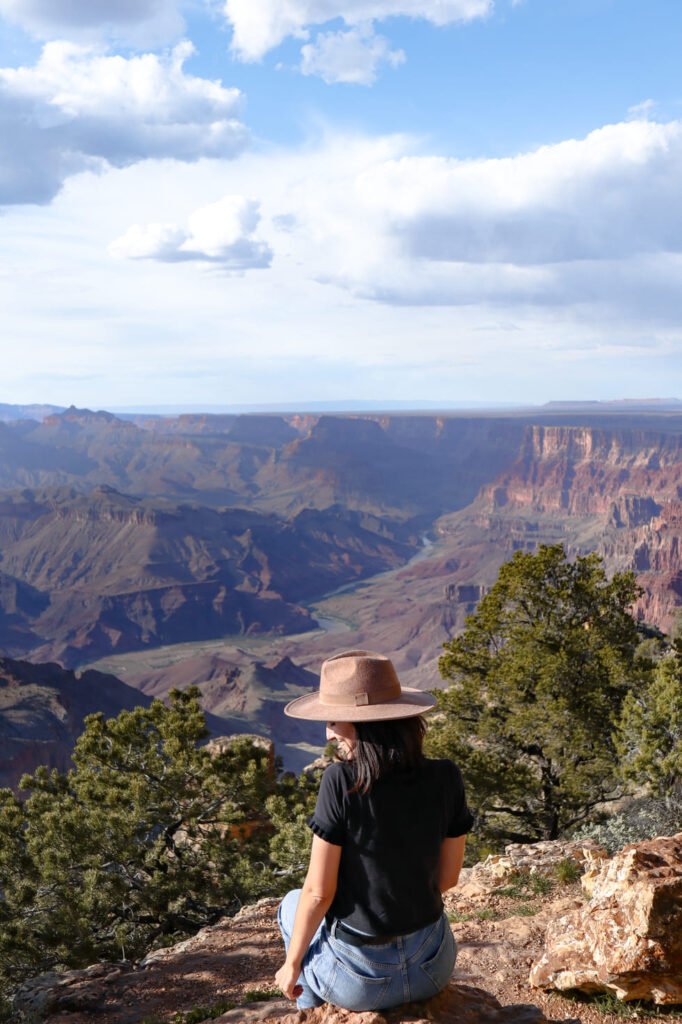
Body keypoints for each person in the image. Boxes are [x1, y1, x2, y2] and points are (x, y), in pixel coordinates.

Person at [275, 649, 474, 1012]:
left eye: (334, 720)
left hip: (361, 985)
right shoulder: (447, 775)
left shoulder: (341, 782)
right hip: (434, 966)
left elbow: (318, 893)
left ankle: (311, 1006)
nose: (328, 732)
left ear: (362, 724)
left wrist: (290, 965)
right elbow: (447, 879)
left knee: (291, 904)